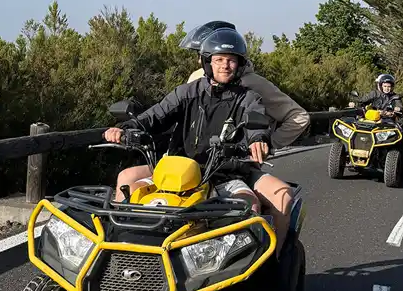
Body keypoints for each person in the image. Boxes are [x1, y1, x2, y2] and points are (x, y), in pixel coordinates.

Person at [107, 28, 293, 260]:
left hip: (223, 175)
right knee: (131, 187)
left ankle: (254, 274)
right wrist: (125, 129)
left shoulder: (248, 98)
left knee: (249, 205)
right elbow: (155, 116)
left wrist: (258, 139)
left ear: (240, 64)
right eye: (219, 60)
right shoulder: (187, 93)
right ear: (207, 62)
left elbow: (256, 123)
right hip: (177, 172)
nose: (225, 65)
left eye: (231, 60)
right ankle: (119, 253)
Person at [182, 22, 311, 149]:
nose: (198, 60)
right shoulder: (196, 78)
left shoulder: (255, 84)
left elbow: (299, 116)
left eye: (229, 59)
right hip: (194, 159)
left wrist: (266, 144)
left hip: (239, 163)